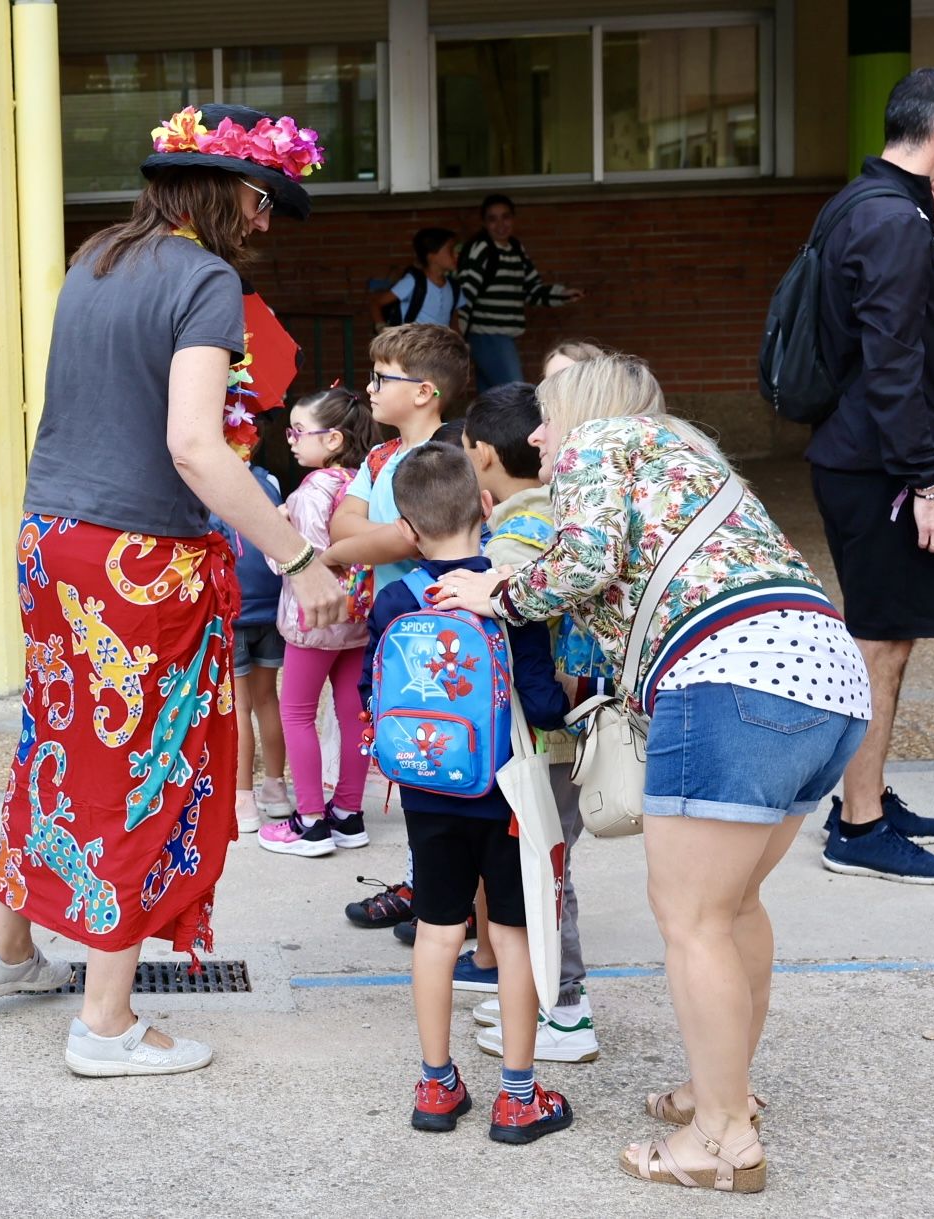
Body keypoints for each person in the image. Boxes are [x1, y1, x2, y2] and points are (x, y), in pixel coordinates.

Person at [0, 103, 344, 1077]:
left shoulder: (95, 258)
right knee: (136, 766)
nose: (263, 225)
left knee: (58, 739)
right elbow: (192, 445)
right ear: (226, 192)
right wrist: (297, 558)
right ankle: (105, 1022)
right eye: (263, 202)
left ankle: (6, 954)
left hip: (52, 538)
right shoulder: (202, 279)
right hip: (139, 559)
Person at [438, 354, 871, 1193]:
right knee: (733, 905)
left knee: (691, 917)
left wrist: (498, 591)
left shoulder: (604, 441)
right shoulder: (691, 462)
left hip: (730, 676)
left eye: (547, 415)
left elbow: (583, 561)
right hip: (823, 677)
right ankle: (723, 1090)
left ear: (585, 409)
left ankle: (721, 1139)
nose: (537, 435)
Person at [364, 442, 571, 1144]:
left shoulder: (395, 599)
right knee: (510, 936)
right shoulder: (512, 591)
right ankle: (516, 1097)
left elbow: (374, 691)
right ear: (485, 508)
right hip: (504, 793)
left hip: (425, 789)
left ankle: (435, 1083)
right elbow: (541, 704)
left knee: (436, 930)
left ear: (407, 527)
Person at [807, 68, 934, 884]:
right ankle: (858, 826)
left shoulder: (873, 205)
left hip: (862, 458)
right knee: (879, 647)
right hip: (877, 466)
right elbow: (892, 362)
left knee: (888, 639)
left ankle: (863, 794)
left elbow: (915, 327)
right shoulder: (888, 220)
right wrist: (928, 484)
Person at [461, 378, 609, 1064]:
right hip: (563, 730)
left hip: (541, 738)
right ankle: (538, 990)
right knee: (540, 868)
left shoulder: (514, 539)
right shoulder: (563, 515)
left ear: (483, 454)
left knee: (541, 873)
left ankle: (565, 1009)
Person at [320, 323, 472, 933]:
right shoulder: (381, 456)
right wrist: (357, 543)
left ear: (425, 392)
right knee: (407, 753)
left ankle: (453, 897)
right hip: (395, 630)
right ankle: (426, 883)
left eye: (384, 378)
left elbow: (401, 536)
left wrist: (337, 556)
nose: (371, 388)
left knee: (448, 756)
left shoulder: (450, 454)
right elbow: (344, 520)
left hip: (442, 636)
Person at [258, 386, 379, 855]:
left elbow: (300, 561)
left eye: (298, 431)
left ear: (332, 440)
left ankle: (310, 822)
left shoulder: (311, 491)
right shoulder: (364, 482)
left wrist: (277, 528)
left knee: (297, 713)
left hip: (312, 619)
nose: (290, 439)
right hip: (357, 617)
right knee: (353, 715)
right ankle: (348, 815)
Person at [214, 451, 292, 833]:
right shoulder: (268, 480)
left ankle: (242, 799)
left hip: (237, 609)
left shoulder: (210, 482)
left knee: (238, 707)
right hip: (272, 607)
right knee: (267, 699)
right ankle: (276, 791)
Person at [452, 195, 583, 390]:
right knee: (515, 393)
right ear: (484, 223)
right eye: (492, 219)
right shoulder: (482, 250)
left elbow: (531, 290)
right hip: (486, 334)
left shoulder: (516, 248)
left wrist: (562, 294)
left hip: (503, 335)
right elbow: (465, 295)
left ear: (513, 219)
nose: (500, 224)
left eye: (505, 217)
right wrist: (457, 337)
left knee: (491, 398)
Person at [370, 228, 458, 331]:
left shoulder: (454, 286)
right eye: (450, 250)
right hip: (413, 345)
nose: (456, 255)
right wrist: (381, 329)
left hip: (442, 346)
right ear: (432, 256)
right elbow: (376, 303)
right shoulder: (413, 282)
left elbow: (454, 322)